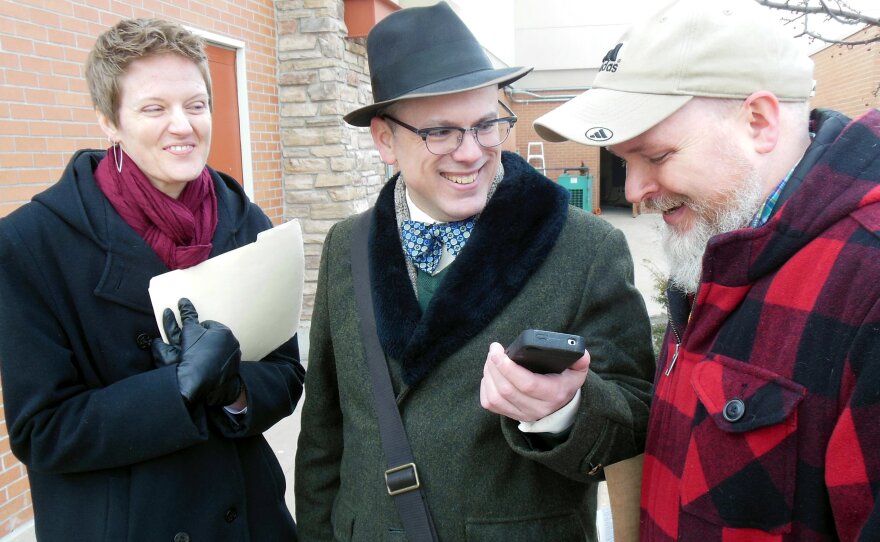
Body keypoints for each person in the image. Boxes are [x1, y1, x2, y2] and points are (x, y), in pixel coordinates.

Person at [294, 3, 655, 540]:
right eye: (440, 132)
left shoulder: (587, 247)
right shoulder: (347, 244)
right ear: (384, 139)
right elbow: (325, 429)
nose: (471, 153)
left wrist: (562, 411)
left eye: (487, 125)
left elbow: (635, 419)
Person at [534, 0, 880, 539]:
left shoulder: (867, 283)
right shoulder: (714, 242)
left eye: (658, 154)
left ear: (758, 122)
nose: (633, 191)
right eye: (626, 161)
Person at [0, 18, 304, 541]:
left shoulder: (248, 223)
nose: (183, 125)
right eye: (154, 108)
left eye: (195, 104)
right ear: (109, 122)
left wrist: (234, 390)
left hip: (247, 522)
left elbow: (285, 374)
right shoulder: (31, 244)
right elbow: (42, 432)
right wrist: (176, 391)